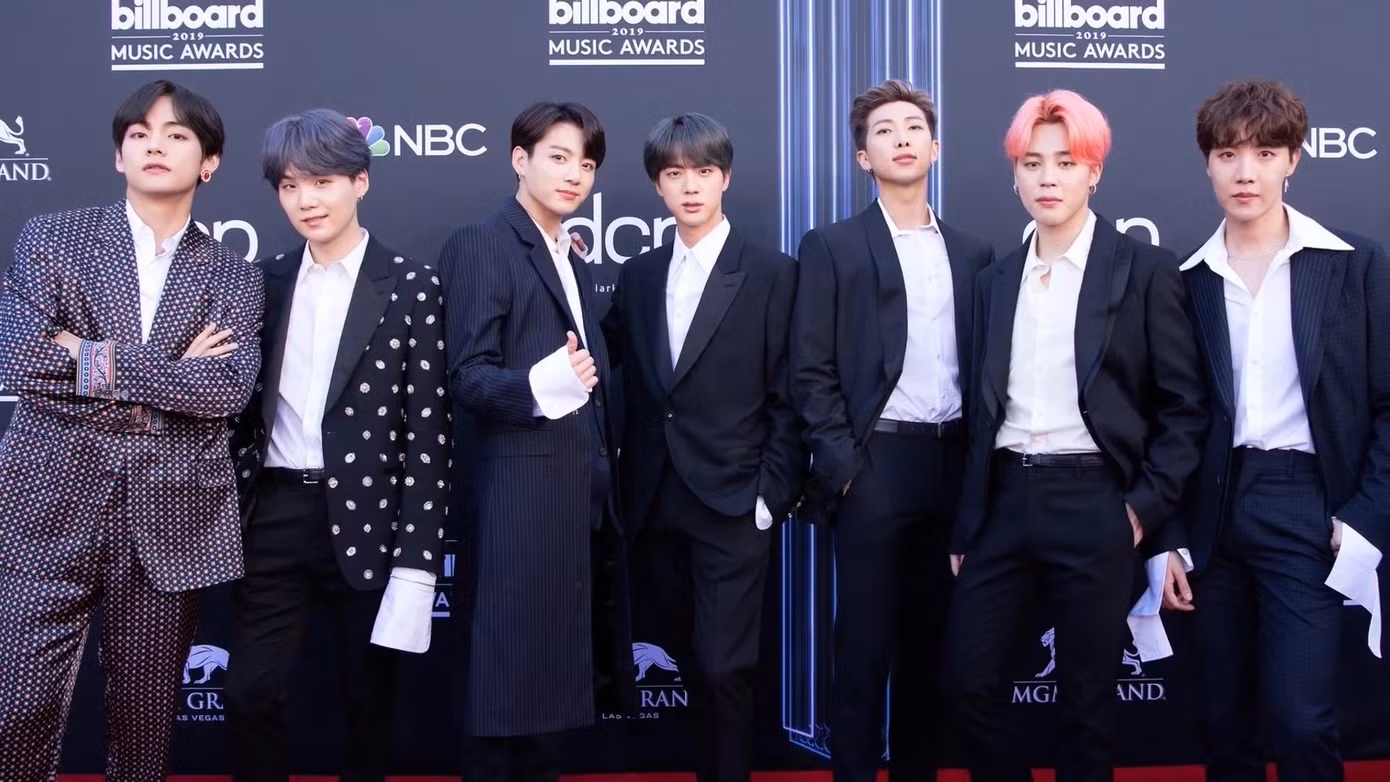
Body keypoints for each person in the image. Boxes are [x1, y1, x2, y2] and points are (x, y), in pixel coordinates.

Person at [0, 79, 263, 781]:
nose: (155, 145)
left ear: (209, 162)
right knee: (14, 710)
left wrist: (86, 356)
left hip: (170, 516)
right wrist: (166, 377)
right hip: (46, 507)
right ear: (119, 155)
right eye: (140, 134)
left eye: (177, 135)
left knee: (143, 733)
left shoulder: (234, 276)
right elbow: (22, 360)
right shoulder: (53, 238)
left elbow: (224, 389)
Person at [943, 89, 1206, 782]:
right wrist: (968, 522)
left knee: (1087, 707)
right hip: (1004, 503)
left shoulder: (1143, 269)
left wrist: (1141, 510)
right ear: (1015, 174)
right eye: (1032, 163)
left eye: (1066, 161)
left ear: (1094, 171)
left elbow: (1183, 407)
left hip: (1096, 501)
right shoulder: (995, 279)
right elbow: (979, 413)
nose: (1048, 177)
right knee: (967, 684)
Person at [1156, 79, 1390, 782]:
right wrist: (1167, 535)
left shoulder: (1355, 265)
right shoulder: (1185, 279)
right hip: (1212, 511)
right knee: (1221, 724)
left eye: (1264, 153)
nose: (1245, 172)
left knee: (1299, 720)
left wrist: (1363, 516)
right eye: (1228, 154)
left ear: (1293, 159)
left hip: (1308, 504)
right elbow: (1168, 415)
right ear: (1207, 163)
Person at [224, 108, 450, 782]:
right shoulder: (261, 283)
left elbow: (429, 434)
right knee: (249, 692)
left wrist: (417, 560)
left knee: (367, 703)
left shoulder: (411, 285)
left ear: (360, 182)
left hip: (372, 517)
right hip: (274, 514)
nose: (306, 200)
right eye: (289, 186)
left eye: (321, 182)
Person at [790, 79, 994, 782]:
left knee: (930, 649)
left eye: (913, 127)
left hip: (952, 466)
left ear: (935, 148)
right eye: (884, 130)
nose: (901, 137)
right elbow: (809, 367)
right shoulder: (832, 246)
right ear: (862, 157)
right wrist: (845, 466)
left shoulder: (974, 253)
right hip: (873, 464)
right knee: (863, 649)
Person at [600, 112, 805, 782]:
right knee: (690, 660)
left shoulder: (773, 273)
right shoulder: (637, 274)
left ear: (726, 178)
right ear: (657, 185)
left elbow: (791, 391)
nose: (690, 186)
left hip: (735, 501)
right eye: (675, 174)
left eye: (704, 172)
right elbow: (601, 357)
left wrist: (771, 494)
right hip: (654, 500)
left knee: (725, 666)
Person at [439, 101, 633, 782]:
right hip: (515, 505)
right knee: (504, 703)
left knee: (550, 707)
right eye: (558, 156)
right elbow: (467, 375)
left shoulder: (568, 257)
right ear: (519, 160)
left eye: (587, 163)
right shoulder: (482, 243)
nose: (575, 174)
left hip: (578, 506)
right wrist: (543, 384)